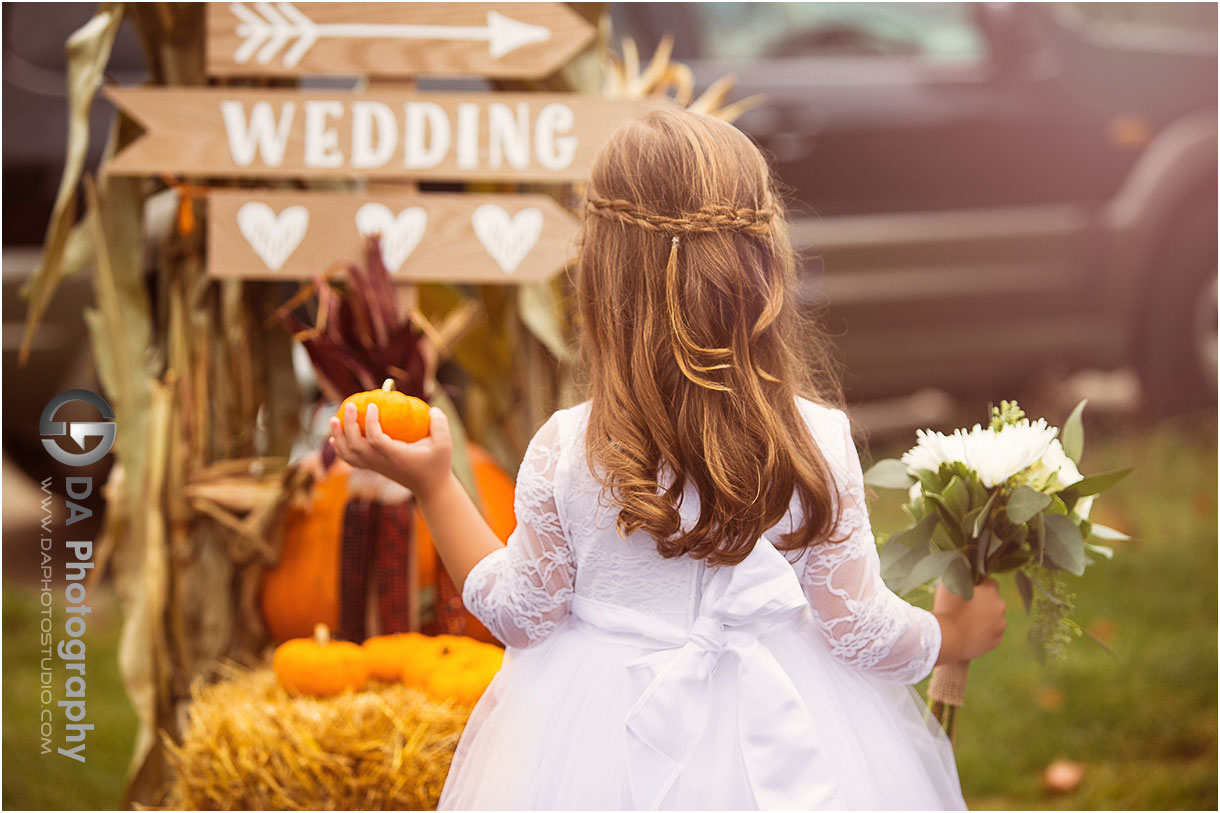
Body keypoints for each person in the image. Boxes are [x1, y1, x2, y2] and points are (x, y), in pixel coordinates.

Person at [329, 107, 1007, 810]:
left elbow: (521, 615)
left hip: (599, 750)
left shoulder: (567, 451)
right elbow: (858, 628)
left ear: (600, 274)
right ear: (765, 264)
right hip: (776, 742)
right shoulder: (817, 443)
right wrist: (954, 632)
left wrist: (435, 485)